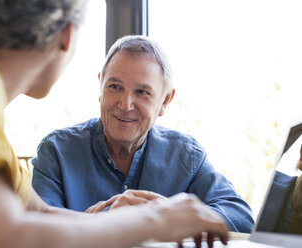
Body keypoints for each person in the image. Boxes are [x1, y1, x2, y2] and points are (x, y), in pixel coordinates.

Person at [0, 1, 230, 248]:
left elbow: (44, 214)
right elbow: (5, 237)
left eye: (142, 91)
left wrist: (151, 215)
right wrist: (155, 221)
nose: (125, 104)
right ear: (67, 36)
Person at [32, 35, 254, 233]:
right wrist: (123, 221)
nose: (125, 104)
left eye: (142, 92)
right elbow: (38, 230)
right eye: (115, 87)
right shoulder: (57, 151)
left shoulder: (187, 156)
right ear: (100, 87)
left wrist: (168, 216)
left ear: (165, 101)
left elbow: (241, 218)